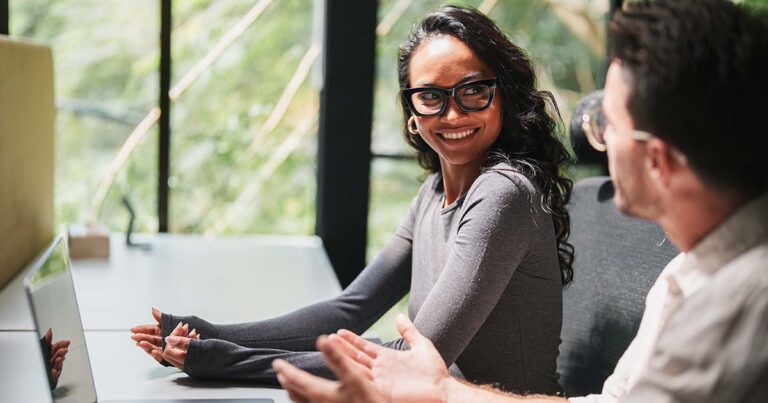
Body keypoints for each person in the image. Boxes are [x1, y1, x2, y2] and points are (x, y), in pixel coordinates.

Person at [272, 0, 768, 401]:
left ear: (658, 159)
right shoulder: (684, 278)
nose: (594, 140)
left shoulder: (736, 311)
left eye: (606, 126)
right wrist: (442, 391)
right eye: (431, 97)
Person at [130, 5, 574, 394]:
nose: (453, 114)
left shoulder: (502, 194)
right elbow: (351, 308)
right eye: (431, 97)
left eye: (474, 91)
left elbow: (404, 363)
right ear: (413, 115)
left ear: (504, 97)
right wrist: (207, 335)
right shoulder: (434, 193)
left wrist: (224, 361)